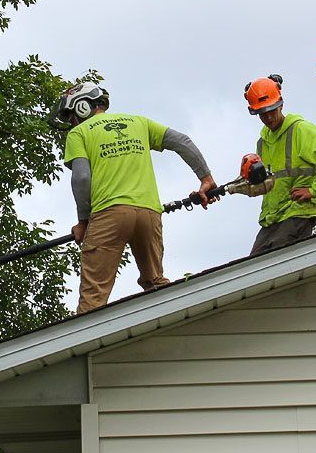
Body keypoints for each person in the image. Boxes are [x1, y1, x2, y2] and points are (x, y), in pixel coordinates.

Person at [55, 82, 217, 314]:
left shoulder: (79, 133)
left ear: (82, 108)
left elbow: (81, 178)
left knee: (93, 298)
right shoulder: (139, 122)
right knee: (155, 285)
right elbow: (183, 142)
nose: (71, 122)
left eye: (71, 116)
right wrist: (206, 178)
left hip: (108, 215)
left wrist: (83, 222)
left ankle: (87, 349)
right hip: (149, 213)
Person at [245, 74, 316, 255]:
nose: (268, 117)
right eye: (262, 113)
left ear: (281, 104)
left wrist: (314, 190)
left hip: (296, 214)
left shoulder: (300, 130)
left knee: (276, 270)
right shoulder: (262, 142)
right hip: (271, 219)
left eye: (271, 110)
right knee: (251, 270)